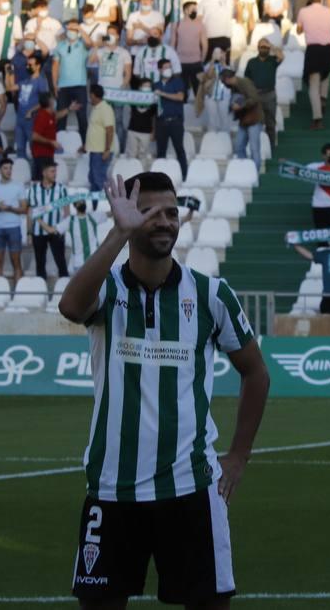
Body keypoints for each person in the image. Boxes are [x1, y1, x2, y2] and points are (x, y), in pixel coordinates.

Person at [58, 172, 269, 607]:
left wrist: (238, 456)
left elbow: (256, 373)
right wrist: (120, 233)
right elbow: (71, 307)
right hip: (112, 486)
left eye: (172, 213)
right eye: (151, 213)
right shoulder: (108, 288)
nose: (165, 222)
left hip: (190, 486)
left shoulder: (211, 295)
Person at [297, 0, 330, 129]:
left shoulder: (303, 12)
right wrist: (329, 38)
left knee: (313, 84)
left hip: (313, 50)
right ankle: (323, 97)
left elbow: (299, 30)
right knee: (325, 73)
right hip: (328, 49)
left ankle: (317, 118)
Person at [0, 157, 28, 280]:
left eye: (10, 168)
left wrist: (9, 208)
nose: (8, 171)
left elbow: (24, 209)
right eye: (5, 168)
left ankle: (19, 294)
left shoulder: (18, 186)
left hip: (14, 227)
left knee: (16, 263)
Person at [25, 160, 69, 279]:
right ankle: (42, 288)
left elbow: (66, 212)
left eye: (55, 171)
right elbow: (30, 212)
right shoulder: (33, 190)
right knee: (40, 263)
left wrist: (62, 229)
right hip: (38, 232)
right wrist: (29, 233)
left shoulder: (61, 189)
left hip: (56, 231)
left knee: (61, 262)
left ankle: (65, 289)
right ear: (44, 173)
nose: (55, 174)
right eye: (52, 171)